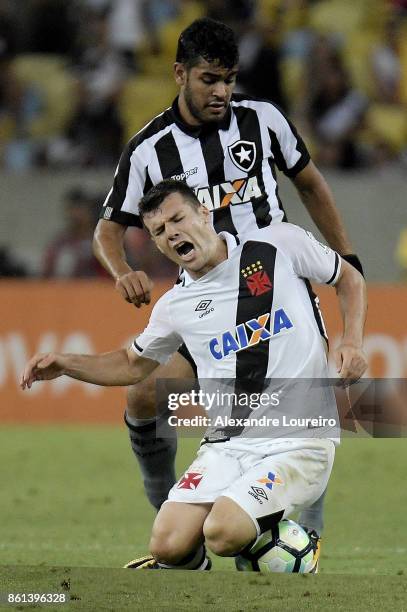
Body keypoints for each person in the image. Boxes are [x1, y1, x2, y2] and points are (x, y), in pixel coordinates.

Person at [92, 17, 364, 555]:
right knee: (144, 388)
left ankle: (301, 532)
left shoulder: (263, 121)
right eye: (209, 79)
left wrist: (345, 256)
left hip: (274, 289)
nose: (222, 92)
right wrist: (122, 270)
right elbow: (107, 229)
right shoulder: (148, 148)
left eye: (229, 79)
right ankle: (168, 508)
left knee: (295, 413)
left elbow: (309, 182)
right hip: (206, 305)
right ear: (179, 74)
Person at [22, 181, 367, 571]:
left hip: (299, 440)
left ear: (204, 212)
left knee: (222, 532)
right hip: (227, 446)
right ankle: (207, 567)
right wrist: (66, 364)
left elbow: (349, 278)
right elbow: (131, 364)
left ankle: (295, 544)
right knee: (167, 544)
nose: (171, 232)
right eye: (158, 231)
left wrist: (353, 342)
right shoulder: (176, 305)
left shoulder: (278, 244)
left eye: (177, 218)